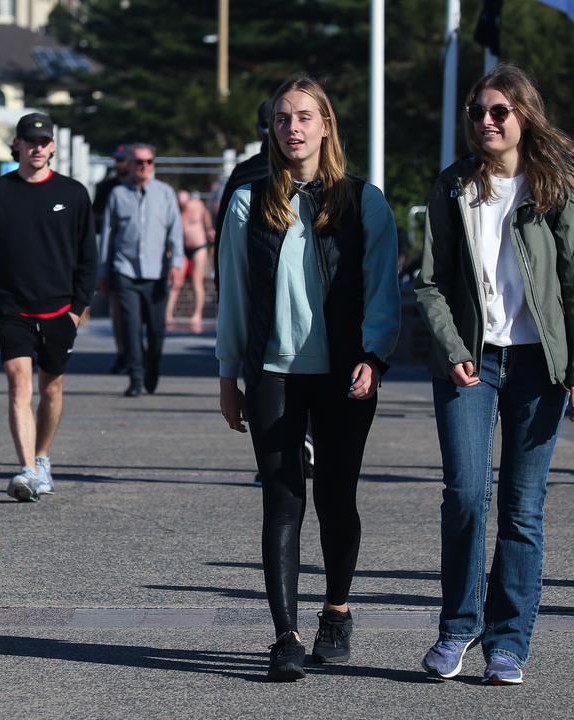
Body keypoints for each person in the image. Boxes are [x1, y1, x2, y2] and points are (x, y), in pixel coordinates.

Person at [215, 76, 400, 682]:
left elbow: (382, 292)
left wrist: (374, 356)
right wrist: (227, 374)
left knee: (337, 498)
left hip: (345, 373)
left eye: (303, 117)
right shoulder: (247, 201)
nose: (291, 127)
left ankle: (338, 610)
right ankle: (286, 636)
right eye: (280, 118)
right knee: (282, 498)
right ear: (270, 129)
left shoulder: (362, 200)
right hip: (272, 374)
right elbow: (234, 301)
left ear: (325, 125)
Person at [414, 64, 574, 686]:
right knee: (464, 494)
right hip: (471, 361)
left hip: (539, 364)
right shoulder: (453, 186)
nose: (486, 121)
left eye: (499, 111)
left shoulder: (555, 185)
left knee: (523, 508)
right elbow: (429, 281)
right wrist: (453, 345)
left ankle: (508, 643)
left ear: (524, 116)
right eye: (478, 111)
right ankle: (457, 628)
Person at [0, 112, 97, 502]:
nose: (37, 147)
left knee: (52, 388)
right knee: (18, 382)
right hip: (12, 307)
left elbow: (88, 257)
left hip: (60, 310)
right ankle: (26, 468)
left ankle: (42, 457)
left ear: (53, 146)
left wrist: (77, 309)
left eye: (44, 141)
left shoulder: (74, 194)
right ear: (18, 145)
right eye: (30, 141)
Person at [98, 143, 183, 397]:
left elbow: (175, 231)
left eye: (148, 162)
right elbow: (107, 236)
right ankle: (135, 377)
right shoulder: (117, 195)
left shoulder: (165, 193)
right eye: (138, 162)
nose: (144, 167)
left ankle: (152, 366)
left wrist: (177, 262)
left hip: (156, 272)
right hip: (125, 270)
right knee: (130, 327)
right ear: (129, 165)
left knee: (157, 330)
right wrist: (103, 272)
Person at [215, 99, 273, 290]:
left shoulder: (308, 173)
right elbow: (224, 229)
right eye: (267, 125)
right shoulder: (242, 172)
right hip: (250, 275)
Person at [94, 145, 131, 373]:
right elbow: (95, 215)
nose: (119, 164)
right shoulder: (106, 187)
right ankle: (122, 353)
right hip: (115, 253)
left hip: (141, 257)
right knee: (117, 308)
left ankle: (136, 352)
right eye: (116, 160)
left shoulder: (143, 185)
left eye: (123, 159)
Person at [165, 189, 215, 334]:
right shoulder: (175, 210)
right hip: (183, 248)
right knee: (176, 281)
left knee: (196, 281)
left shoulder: (198, 206)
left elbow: (207, 218)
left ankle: (197, 314)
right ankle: (168, 314)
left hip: (199, 247)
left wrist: (209, 229)